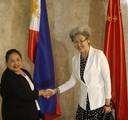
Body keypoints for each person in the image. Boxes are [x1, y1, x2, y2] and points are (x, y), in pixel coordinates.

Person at [47, 26, 112, 120]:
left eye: (81, 40)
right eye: (75, 42)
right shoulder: (75, 59)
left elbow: (107, 80)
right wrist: (56, 90)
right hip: (83, 104)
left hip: (99, 104)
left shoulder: (99, 55)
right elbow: (72, 80)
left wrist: (107, 104)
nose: (79, 44)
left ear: (88, 40)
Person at [1, 49, 51, 120]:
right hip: (16, 115)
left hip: (31, 112)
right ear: (7, 63)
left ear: (21, 60)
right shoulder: (8, 77)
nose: (16, 63)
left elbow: (31, 90)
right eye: (12, 61)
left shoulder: (25, 72)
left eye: (18, 60)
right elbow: (23, 95)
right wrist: (40, 92)